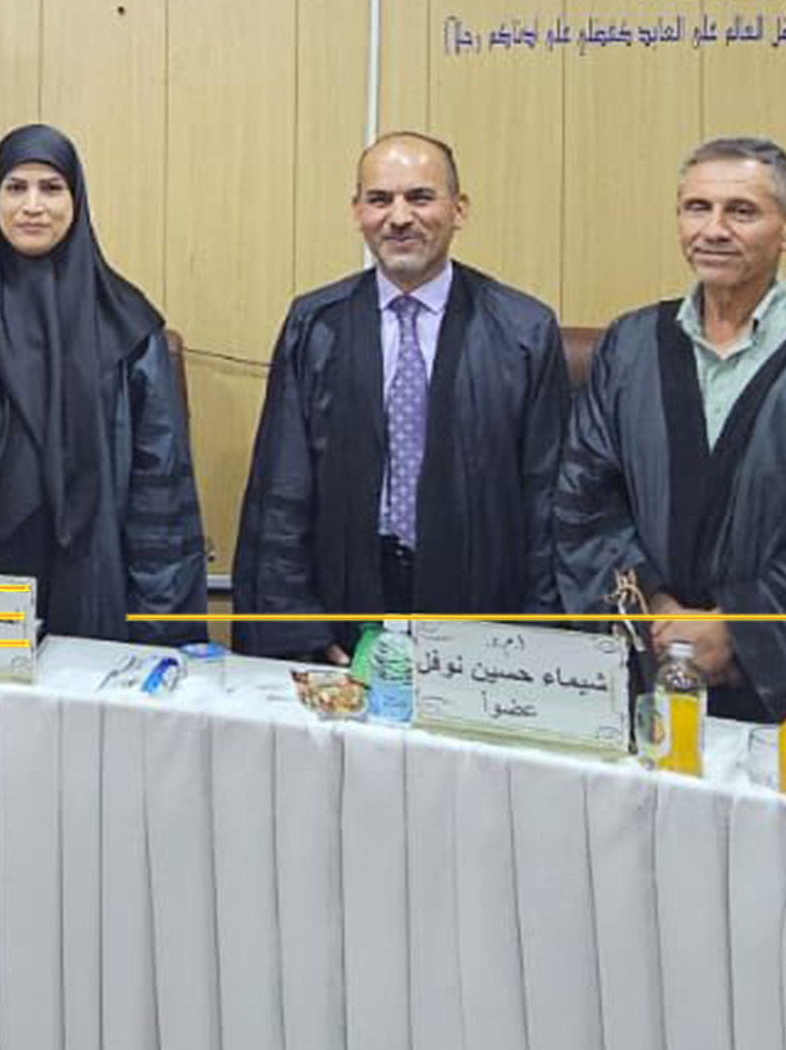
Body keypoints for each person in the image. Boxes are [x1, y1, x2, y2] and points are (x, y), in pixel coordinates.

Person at [551, 135, 786, 723]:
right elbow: (587, 499)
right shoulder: (631, 345)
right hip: (651, 665)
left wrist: (738, 632)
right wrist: (654, 610)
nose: (714, 229)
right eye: (697, 208)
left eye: (742, 211)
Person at [231, 131, 574, 663]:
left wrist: (533, 639)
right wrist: (303, 629)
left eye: (420, 197)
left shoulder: (522, 331)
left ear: (459, 209)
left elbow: (547, 498)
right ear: (357, 213)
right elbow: (282, 488)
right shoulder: (316, 325)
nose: (398, 217)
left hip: (482, 610)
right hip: (346, 601)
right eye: (379, 199)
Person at [0, 125, 203, 643]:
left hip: (91, 578)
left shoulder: (128, 326)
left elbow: (159, 489)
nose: (32, 206)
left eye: (51, 188)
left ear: (76, 199)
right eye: (15, 187)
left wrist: (162, 628)